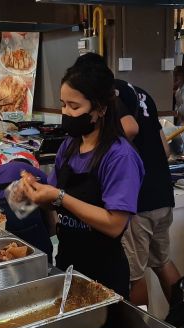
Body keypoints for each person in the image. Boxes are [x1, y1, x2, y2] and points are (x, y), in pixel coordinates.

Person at [20, 56, 145, 299]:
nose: (66, 112)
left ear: (100, 108)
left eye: (74, 107)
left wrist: (60, 196)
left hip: (104, 274)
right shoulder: (69, 147)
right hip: (68, 264)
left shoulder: (120, 157)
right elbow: (53, 201)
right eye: (63, 104)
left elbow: (114, 224)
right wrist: (33, 193)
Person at [73, 52, 179, 305]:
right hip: (162, 194)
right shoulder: (142, 93)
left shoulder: (111, 95)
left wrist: (101, 156)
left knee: (133, 275)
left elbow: (130, 128)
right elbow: (164, 149)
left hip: (137, 200)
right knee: (162, 262)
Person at [0, 148, 53, 261]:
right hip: (16, 199)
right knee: (37, 247)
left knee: (0, 246)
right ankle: (45, 264)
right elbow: (50, 204)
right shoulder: (33, 171)